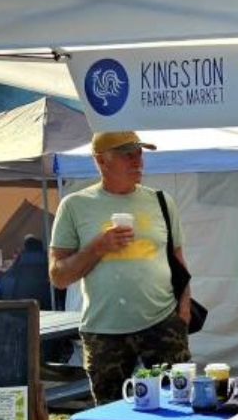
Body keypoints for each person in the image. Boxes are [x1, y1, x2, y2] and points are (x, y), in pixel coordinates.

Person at [48, 131, 193, 404]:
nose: (137, 159)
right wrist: (97, 247)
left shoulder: (162, 201)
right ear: (102, 161)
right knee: (110, 412)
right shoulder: (75, 206)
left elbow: (178, 259)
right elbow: (58, 276)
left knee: (178, 405)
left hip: (162, 323)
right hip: (105, 331)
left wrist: (183, 309)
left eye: (139, 152)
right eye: (128, 154)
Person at [0, 235, 52, 309]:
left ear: (26, 247)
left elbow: (8, 279)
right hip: (47, 301)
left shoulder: (21, 259)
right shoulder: (47, 258)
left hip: (24, 303)